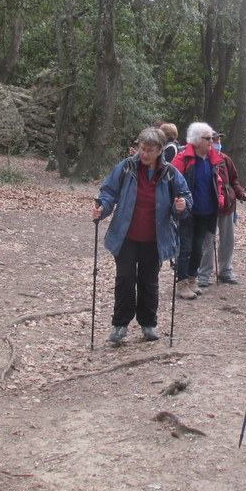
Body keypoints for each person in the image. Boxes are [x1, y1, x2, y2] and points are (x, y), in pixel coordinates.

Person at [92, 127, 191, 344]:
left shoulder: (170, 173)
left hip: (155, 238)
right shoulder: (126, 167)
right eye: (142, 148)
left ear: (160, 151)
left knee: (149, 282)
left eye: (149, 150)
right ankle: (120, 325)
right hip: (125, 235)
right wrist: (102, 208)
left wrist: (182, 205)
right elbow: (108, 192)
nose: (144, 154)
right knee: (125, 279)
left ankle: (148, 324)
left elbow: (184, 196)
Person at [171, 122, 225, 300]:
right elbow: (171, 182)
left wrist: (220, 198)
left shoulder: (212, 158)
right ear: (196, 140)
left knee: (198, 249)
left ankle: (192, 279)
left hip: (207, 211)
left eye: (212, 138)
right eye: (207, 138)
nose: (212, 141)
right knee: (185, 247)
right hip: (187, 211)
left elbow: (217, 182)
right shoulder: (182, 159)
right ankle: (182, 282)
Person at [197, 132, 246, 287]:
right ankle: (203, 273)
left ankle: (225, 271)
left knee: (228, 239)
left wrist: (241, 194)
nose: (217, 142)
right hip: (208, 206)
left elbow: (234, 180)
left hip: (227, 205)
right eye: (214, 139)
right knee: (207, 240)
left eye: (218, 139)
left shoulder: (226, 159)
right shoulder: (202, 160)